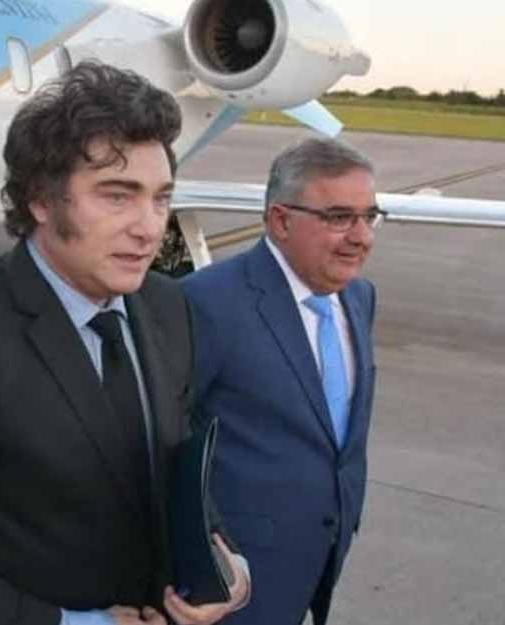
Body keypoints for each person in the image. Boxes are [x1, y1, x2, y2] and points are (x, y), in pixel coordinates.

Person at [0, 60, 249, 625]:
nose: (149, 227)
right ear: (41, 200)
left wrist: (223, 561)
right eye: (117, 196)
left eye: (160, 198)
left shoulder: (169, 307)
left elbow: (173, 470)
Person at [180, 136, 382, 625]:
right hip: (230, 582)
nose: (362, 237)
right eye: (340, 217)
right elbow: (163, 441)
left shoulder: (359, 297)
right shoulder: (204, 302)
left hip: (319, 555)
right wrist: (202, 562)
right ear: (280, 220)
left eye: (370, 216)